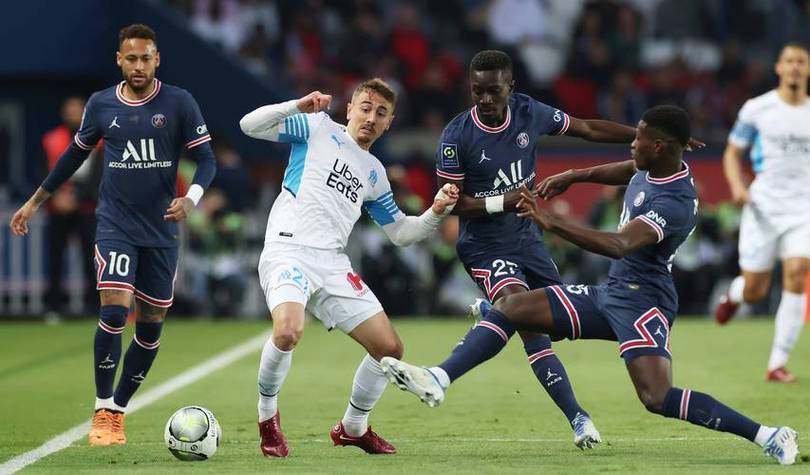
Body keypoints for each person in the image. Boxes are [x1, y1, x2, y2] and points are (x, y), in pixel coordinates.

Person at [381, 106, 799, 466]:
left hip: (645, 305)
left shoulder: (675, 202)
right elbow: (625, 170)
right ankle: (439, 377)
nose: (631, 143)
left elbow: (619, 245)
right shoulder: (653, 166)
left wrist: (551, 222)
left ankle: (768, 435)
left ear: (660, 147)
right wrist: (575, 175)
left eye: (639, 139)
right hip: (611, 293)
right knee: (513, 308)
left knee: (657, 398)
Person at [434, 49, 700, 448]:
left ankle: (493, 316)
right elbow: (451, 205)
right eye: (477, 91)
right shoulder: (456, 137)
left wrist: (656, 138)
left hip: (527, 237)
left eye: (493, 91)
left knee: (545, 325)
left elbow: (588, 129)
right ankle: (573, 415)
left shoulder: (529, 112)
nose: (485, 99)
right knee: (521, 313)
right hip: (486, 244)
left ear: (510, 88)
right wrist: (503, 201)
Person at [9, 24, 217, 446]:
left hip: (161, 230)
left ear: (157, 60)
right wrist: (34, 202)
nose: (138, 65)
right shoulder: (101, 104)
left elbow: (207, 160)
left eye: (146, 58)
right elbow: (73, 156)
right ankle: (103, 409)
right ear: (119, 60)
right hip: (115, 224)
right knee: (115, 310)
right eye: (131, 58)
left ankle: (119, 409)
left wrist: (192, 198)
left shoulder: (179, 102)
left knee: (151, 325)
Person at [239, 78, 458, 457]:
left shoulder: (374, 173)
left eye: (381, 113)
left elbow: (401, 233)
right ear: (350, 109)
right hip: (288, 249)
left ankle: (353, 428)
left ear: (389, 122)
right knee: (288, 331)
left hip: (332, 264)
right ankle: (267, 417)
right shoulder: (316, 127)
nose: (371, 118)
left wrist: (436, 211)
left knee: (389, 348)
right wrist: (296, 105)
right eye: (366, 108)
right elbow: (249, 125)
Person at [714, 42, 810, 383]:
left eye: (801, 61)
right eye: (789, 61)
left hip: (803, 209)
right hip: (764, 207)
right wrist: (737, 187)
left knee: (797, 273)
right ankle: (735, 295)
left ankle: (777, 364)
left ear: (807, 69)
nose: (795, 66)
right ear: (779, 68)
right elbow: (731, 153)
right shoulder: (757, 109)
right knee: (756, 289)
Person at [41, 96, 101, 315]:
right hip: (57, 208)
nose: (73, 113)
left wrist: (78, 197)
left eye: (77, 109)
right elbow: (43, 172)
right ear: (63, 113)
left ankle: (93, 306)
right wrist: (56, 196)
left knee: (90, 258)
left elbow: (98, 175)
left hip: (85, 208)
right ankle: (53, 307)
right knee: (55, 258)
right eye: (70, 109)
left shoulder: (97, 140)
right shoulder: (51, 139)